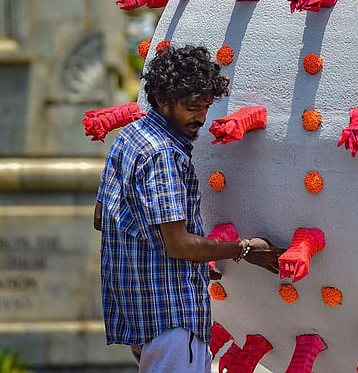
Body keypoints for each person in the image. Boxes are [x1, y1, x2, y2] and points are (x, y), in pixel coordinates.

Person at [93, 44, 281, 372]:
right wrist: (245, 250)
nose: (201, 118)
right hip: (172, 317)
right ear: (162, 99)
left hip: (140, 312)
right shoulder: (163, 155)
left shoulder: (132, 136)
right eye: (192, 108)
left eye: (206, 106)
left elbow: (102, 217)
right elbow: (179, 244)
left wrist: (181, 258)